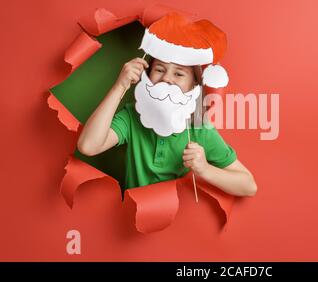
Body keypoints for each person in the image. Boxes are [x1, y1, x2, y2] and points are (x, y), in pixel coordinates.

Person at [77, 12, 257, 197]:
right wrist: (119, 86)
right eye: (159, 69)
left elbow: (249, 186)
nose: (166, 79)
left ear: (193, 85)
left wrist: (205, 170)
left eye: (179, 74)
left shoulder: (199, 128)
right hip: (133, 217)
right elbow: (88, 146)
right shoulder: (132, 116)